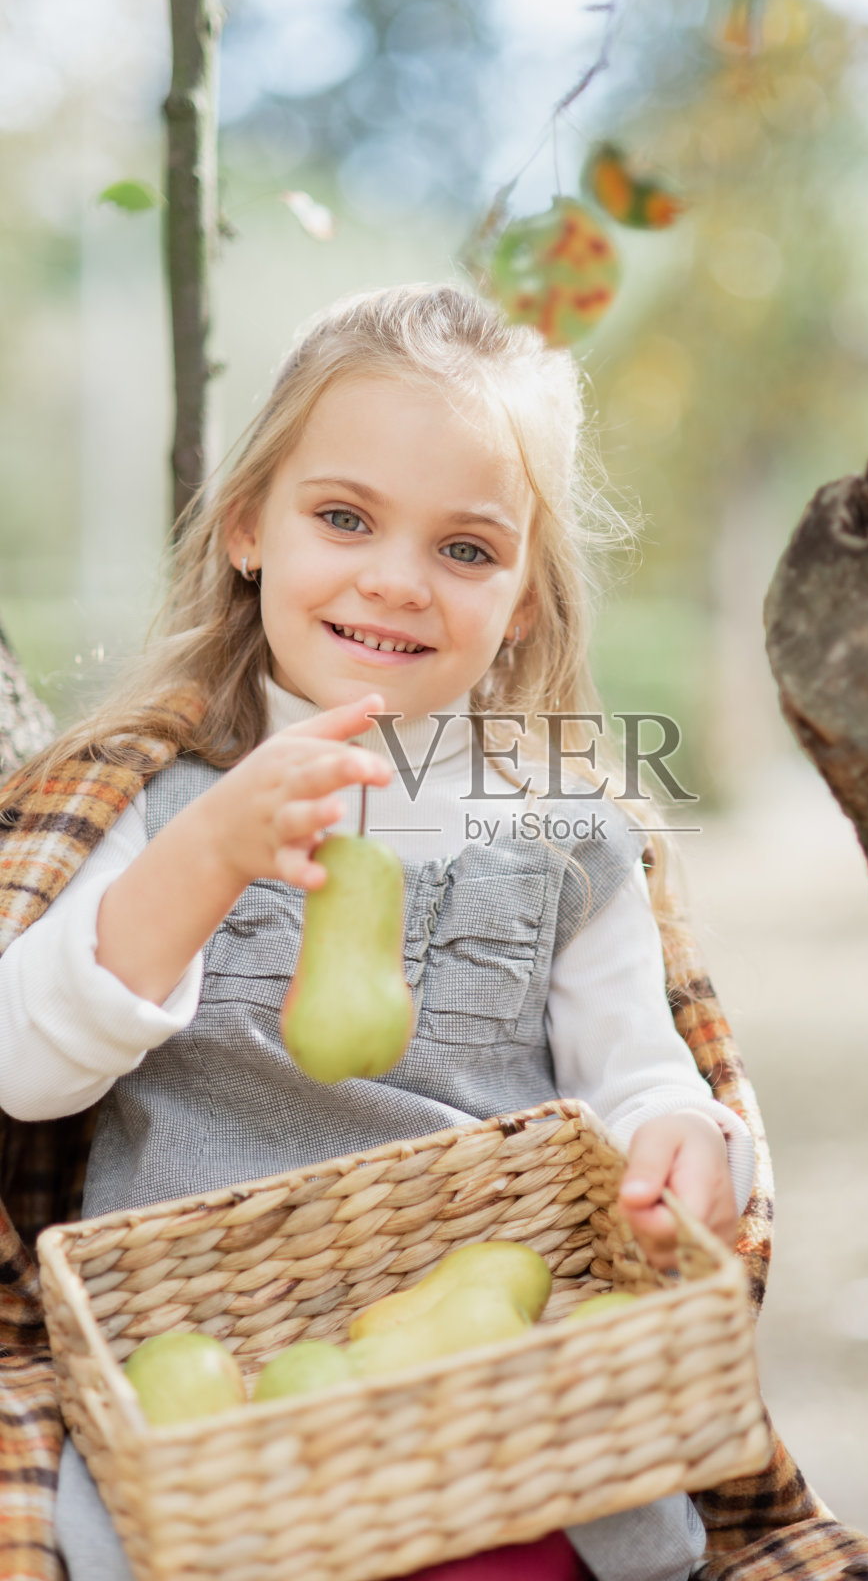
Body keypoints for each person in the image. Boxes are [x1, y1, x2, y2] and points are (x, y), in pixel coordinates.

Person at [0, 284, 755, 1581]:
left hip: (494, 1417)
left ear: (522, 597)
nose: (395, 582)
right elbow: (25, 1070)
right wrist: (208, 856)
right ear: (248, 526)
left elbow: (640, 1069)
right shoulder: (152, 797)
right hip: (214, 1413)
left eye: (466, 550)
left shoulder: (567, 829)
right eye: (343, 518)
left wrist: (685, 1144)